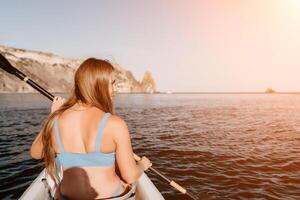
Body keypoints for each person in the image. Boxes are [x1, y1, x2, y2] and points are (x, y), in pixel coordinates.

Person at [30, 58, 152, 200]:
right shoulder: (115, 124)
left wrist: (52, 115)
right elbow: (130, 175)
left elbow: (35, 153)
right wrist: (142, 164)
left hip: (66, 197)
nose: (115, 89)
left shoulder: (56, 120)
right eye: (112, 83)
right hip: (112, 196)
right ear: (98, 85)